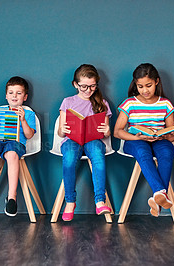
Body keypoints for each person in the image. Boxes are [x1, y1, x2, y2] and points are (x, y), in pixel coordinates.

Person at [114, 63, 174, 217]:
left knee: (168, 151)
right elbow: (117, 132)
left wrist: (163, 135)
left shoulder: (165, 104)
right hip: (135, 141)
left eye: (148, 85)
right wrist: (137, 136)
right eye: (140, 86)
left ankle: (157, 198)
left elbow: (173, 134)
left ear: (156, 81)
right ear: (136, 85)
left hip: (158, 139)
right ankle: (160, 192)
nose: (145, 90)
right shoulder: (129, 103)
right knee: (143, 152)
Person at [58, 64, 112, 221]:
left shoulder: (102, 103)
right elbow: (60, 133)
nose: (88, 90)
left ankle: (100, 201)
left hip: (93, 140)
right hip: (72, 140)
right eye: (84, 87)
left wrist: (106, 130)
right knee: (68, 159)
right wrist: (63, 128)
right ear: (75, 84)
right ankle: (70, 201)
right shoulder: (68, 102)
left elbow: (107, 132)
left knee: (98, 157)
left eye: (92, 86)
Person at [0, 76, 35, 217]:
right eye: (11, 93)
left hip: (16, 143)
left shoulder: (28, 113)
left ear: (25, 97)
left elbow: (29, 135)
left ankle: (11, 197)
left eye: (19, 93)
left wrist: (22, 120)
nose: (14, 96)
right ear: (6, 95)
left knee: (11, 155)